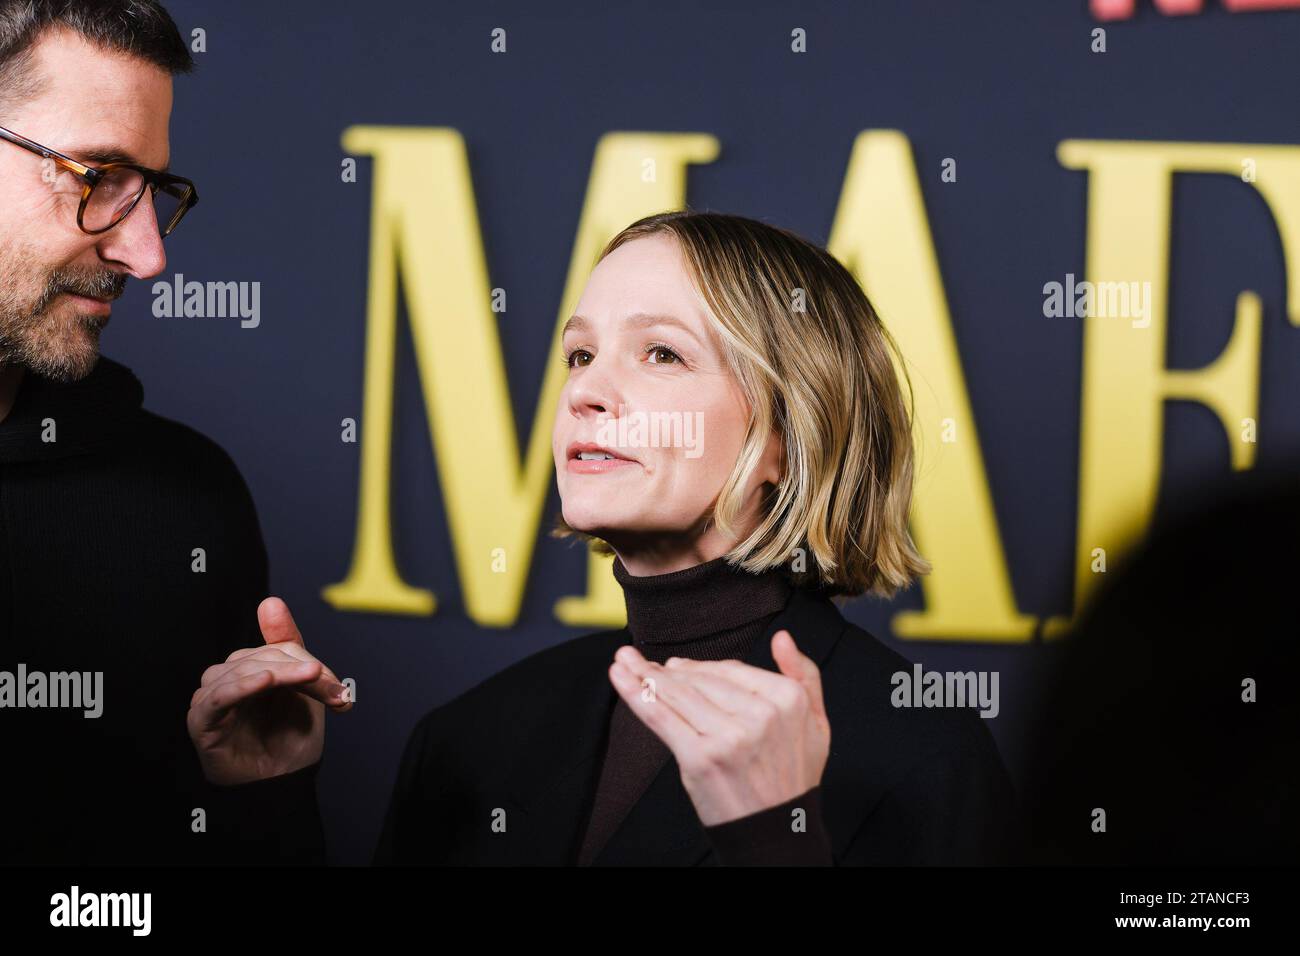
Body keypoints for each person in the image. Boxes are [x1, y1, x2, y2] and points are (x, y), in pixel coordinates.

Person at [192, 209, 1017, 865]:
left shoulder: (923, 753)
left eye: (661, 353)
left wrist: (776, 843)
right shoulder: (473, 735)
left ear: (789, 437)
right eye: (579, 354)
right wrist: (269, 802)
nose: (588, 392)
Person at [0, 0, 345, 865]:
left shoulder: (186, 499)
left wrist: (259, 797)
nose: (147, 256)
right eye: (94, 175)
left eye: (150, 189)